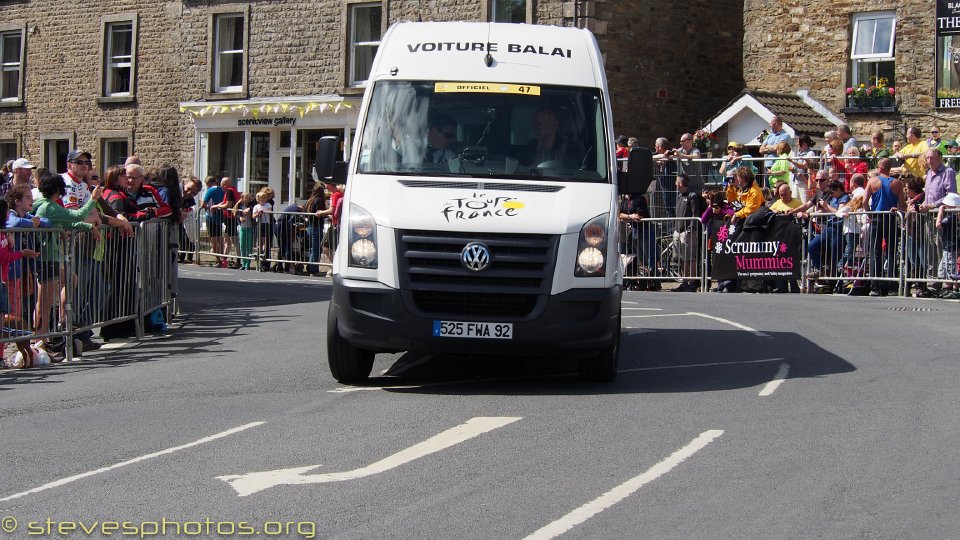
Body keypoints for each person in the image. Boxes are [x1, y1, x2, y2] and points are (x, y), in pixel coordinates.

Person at [32, 172, 103, 360]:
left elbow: (71, 221)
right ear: (58, 190)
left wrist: (88, 227)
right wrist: (94, 199)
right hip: (45, 258)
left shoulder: (49, 206)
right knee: (44, 303)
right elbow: (77, 214)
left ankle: (63, 322)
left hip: (50, 258)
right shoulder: (50, 207)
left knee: (71, 279)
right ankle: (40, 340)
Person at [861, 158, 906, 296]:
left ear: (880, 168)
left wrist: (870, 214)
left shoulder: (872, 181)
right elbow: (902, 205)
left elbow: (864, 202)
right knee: (891, 251)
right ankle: (892, 286)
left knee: (875, 252)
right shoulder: (897, 183)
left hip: (877, 218)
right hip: (891, 217)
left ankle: (875, 286)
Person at [672, 174, 705, 292]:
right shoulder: (679, 196)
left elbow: (695, 213)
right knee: (680, 257)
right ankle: (684, 281)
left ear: (681, 183)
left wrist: (690, 229)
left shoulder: (692, 196)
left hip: (688, 232)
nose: (675, 183)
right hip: (678, 230)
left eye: (676, 181)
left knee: (690, 257)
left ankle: (692, 281)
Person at [934, 192, 960, 298]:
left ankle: (955, 290)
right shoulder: (956, 216)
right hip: (953, 245)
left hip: (950, 245)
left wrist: (940, 211)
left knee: (951, 268)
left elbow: (938, 224)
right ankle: (949, 288)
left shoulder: (951, 217)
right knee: (947, 267)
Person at [919, 148, 957, 213]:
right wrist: (924, 204)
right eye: (927, 158)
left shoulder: (947, 172)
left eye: (932, 158)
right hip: (929, 215)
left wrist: (932, 205)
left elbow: (951, 195)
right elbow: (929, 195)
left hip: (943, 214)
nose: (929, 161)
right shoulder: (929, 173)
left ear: (940, 158)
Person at [305, 183, 331, 276]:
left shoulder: (310, 200)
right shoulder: (319, 200)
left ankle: (311, 268)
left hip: (310, 226)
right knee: (315, 249)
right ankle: (313, 270)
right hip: (316, 226)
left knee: (313, 248)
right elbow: (320, 212)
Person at [201, 175, 226, 267]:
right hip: (220, 216)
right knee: (220, 239)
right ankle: (224, 259)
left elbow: (203, 205)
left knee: (214, 240)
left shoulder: (210, 190)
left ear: (208, 183)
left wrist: (208, 206)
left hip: (211, 217)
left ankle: (218, 260)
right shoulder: (222, 190)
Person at [253, 188, 273, 271]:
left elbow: (270, 212)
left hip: (266, 223)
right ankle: (260, 253)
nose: (263, 200)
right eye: (261, 198)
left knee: (265, 240)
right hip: (259, 224)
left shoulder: (268, 205)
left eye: (264, 198)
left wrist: (264, 211)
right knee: (260, 240)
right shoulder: (256, 206)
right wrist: (258, 213)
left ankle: (264, 252)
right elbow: (253, 216)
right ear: (258, 199)